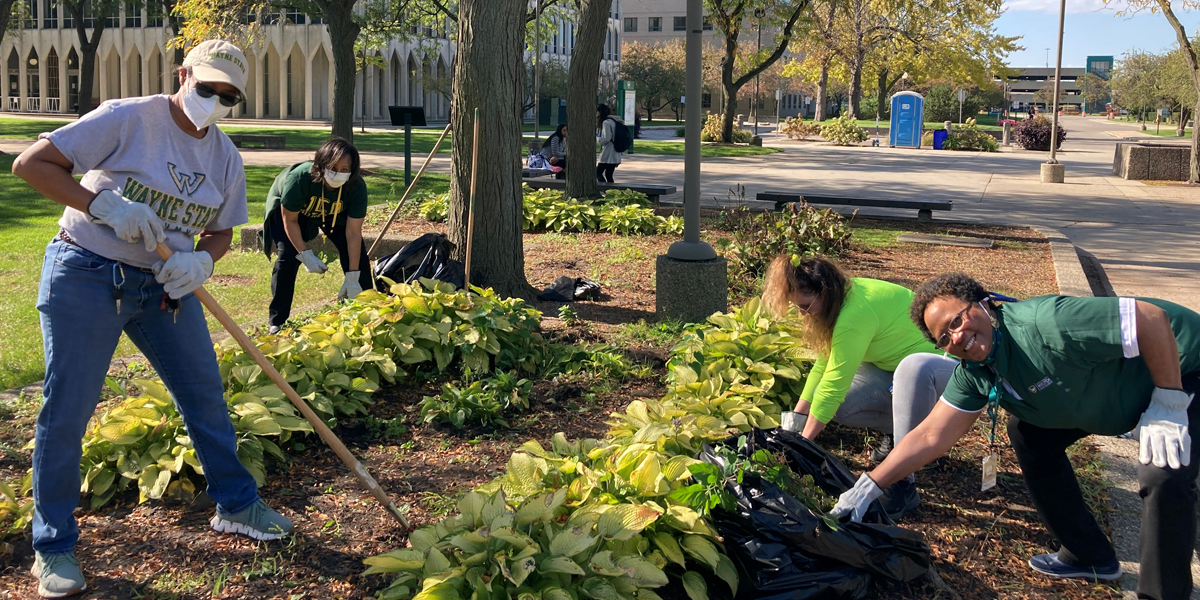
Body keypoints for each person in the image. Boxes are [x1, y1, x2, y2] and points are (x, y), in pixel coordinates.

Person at [11, 39, 292, 598]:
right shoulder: (127, 117)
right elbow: (31, 164)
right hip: (87, 273)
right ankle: (55, 546)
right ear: (183, 73)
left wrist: (200, 261)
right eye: (207, 87)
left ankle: (236, 506)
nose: (214, 100)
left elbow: (221, 230)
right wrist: (102, 204)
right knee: (67, 409)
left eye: (228, 96)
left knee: (205, 394)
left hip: (163, 289)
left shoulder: (225, 158)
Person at [830, 273, 1200, 600]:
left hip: (1182, 368)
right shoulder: (976, 371)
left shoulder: (1046, 323)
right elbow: (931, 435)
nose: (957, 335)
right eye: (945, 336)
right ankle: (1087, 554)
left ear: (986, 304)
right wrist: (870, 485)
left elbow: (1150, 319)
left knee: (1164, 473)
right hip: (1110, 393)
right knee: (1028, 433)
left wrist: (1169, 399)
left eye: (958, 319)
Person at [762, 255, 958, 519]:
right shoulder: (842, 297)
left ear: (824, 292)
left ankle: (903, 484)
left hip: (942, 370)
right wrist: (796, 421)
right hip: (897, 365)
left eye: (806, 307)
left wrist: (803, 445)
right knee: (845, 405)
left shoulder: (854, 315)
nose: (803, 314)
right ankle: (899, 435)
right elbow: (824, 366)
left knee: (872, 389)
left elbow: (834, 385)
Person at [261, 138, 372, 334]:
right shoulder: (300, 179)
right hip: (295, 213)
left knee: (358, 259)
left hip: (333, 211)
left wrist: (353, 275)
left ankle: (366, 311)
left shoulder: (356, 187)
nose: (339, 173)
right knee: (288, 257)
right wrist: (305, 254)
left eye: (345, 169)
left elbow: (353, 234)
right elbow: (290, 221)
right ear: (321, 165)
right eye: (333, 167)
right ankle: (276, 322)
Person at [597, 103, 623, 183]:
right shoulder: (617, 121)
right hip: (616, 151)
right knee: (609, 174)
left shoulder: (606, 123)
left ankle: (605, 190)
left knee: (598, 172)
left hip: (608, 152)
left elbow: (606, 138)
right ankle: (612, 192)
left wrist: (598, 139)